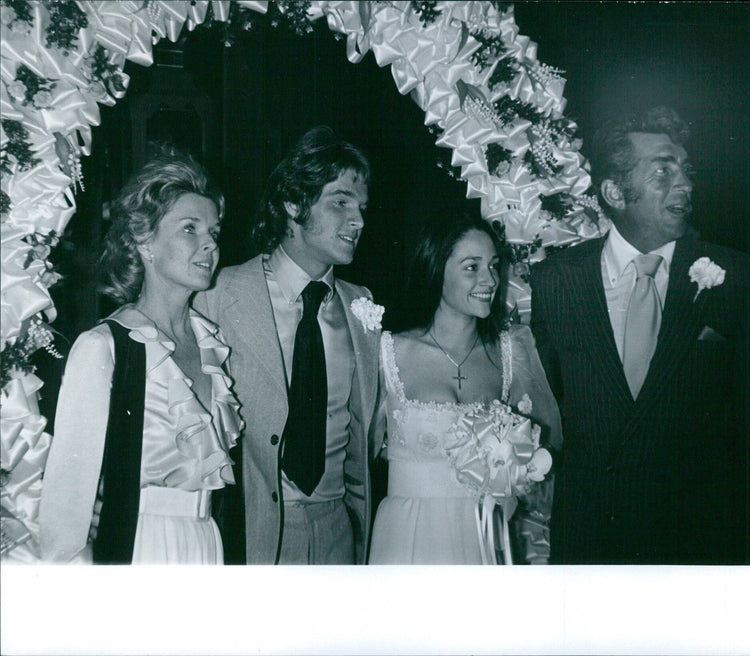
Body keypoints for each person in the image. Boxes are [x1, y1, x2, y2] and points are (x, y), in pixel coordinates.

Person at [530, 106, 750, 565]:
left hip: (699, 550)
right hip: (592, 548)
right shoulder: (556, 281)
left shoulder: (739, 278)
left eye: (686, 172)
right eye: (663, 172)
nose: (686, 185)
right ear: (614, 191)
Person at [39, 150, 242, 564]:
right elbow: (66, 510)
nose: (210, 244)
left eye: (214, 232)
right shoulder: (105, 346)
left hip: (207, 546)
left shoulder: (211, 345)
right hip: (141, 548)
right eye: (190, 229)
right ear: (145, 242)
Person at [194, 126, 383, 564]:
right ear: (294, 203)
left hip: (340, 531)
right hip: (251, 532)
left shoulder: (362, 305)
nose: (358, 221)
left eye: (362, 208)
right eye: (340, 202)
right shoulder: (221, 294)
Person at [368, 211, 562, 564]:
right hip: (408, 538)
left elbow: (549, 441)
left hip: (484, 539)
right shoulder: (387, 352)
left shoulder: (512, 351)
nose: (490, 279)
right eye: (472, 267)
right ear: (435, 268)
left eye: (493, 265)